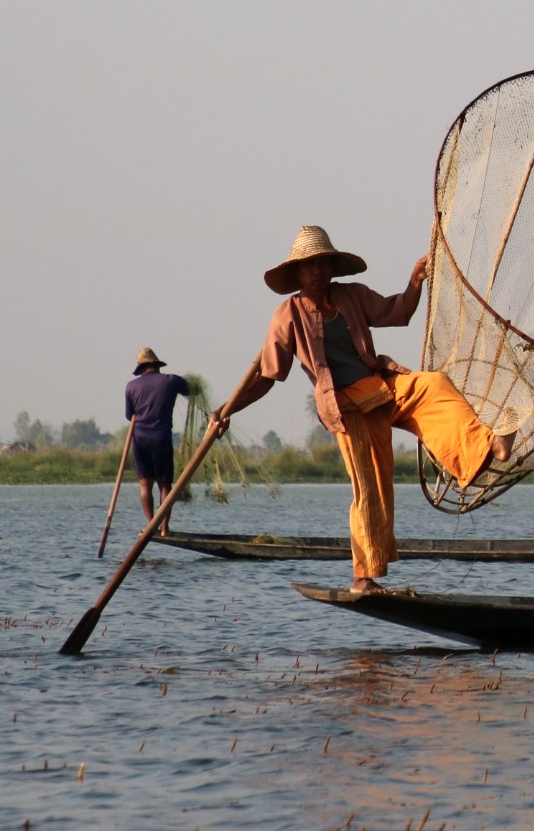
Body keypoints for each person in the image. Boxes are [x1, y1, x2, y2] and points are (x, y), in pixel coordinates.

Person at [204, 226, 514, 594]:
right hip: (346, 407)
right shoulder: (286, 316)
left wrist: (415, 282)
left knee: (433, 385)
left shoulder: (352, 296)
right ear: (298, 274)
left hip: (381, 387)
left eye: (323, 263)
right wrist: (228, 409)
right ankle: (363, 578)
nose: (317, 271)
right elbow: (269, 376)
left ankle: (487, 447)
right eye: (309, 265)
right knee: (370, 488)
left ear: (333, 267)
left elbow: (398, 312)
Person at [125, 347, 191, 535]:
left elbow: (130, 416)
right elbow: (191, 390)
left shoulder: (131, 386)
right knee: (165, 484)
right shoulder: (171, 381)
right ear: (156, 365)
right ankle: (163, 528)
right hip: (161, 438)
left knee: (145, 484)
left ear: (141, 368)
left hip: (139, 439)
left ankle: (151, 525)